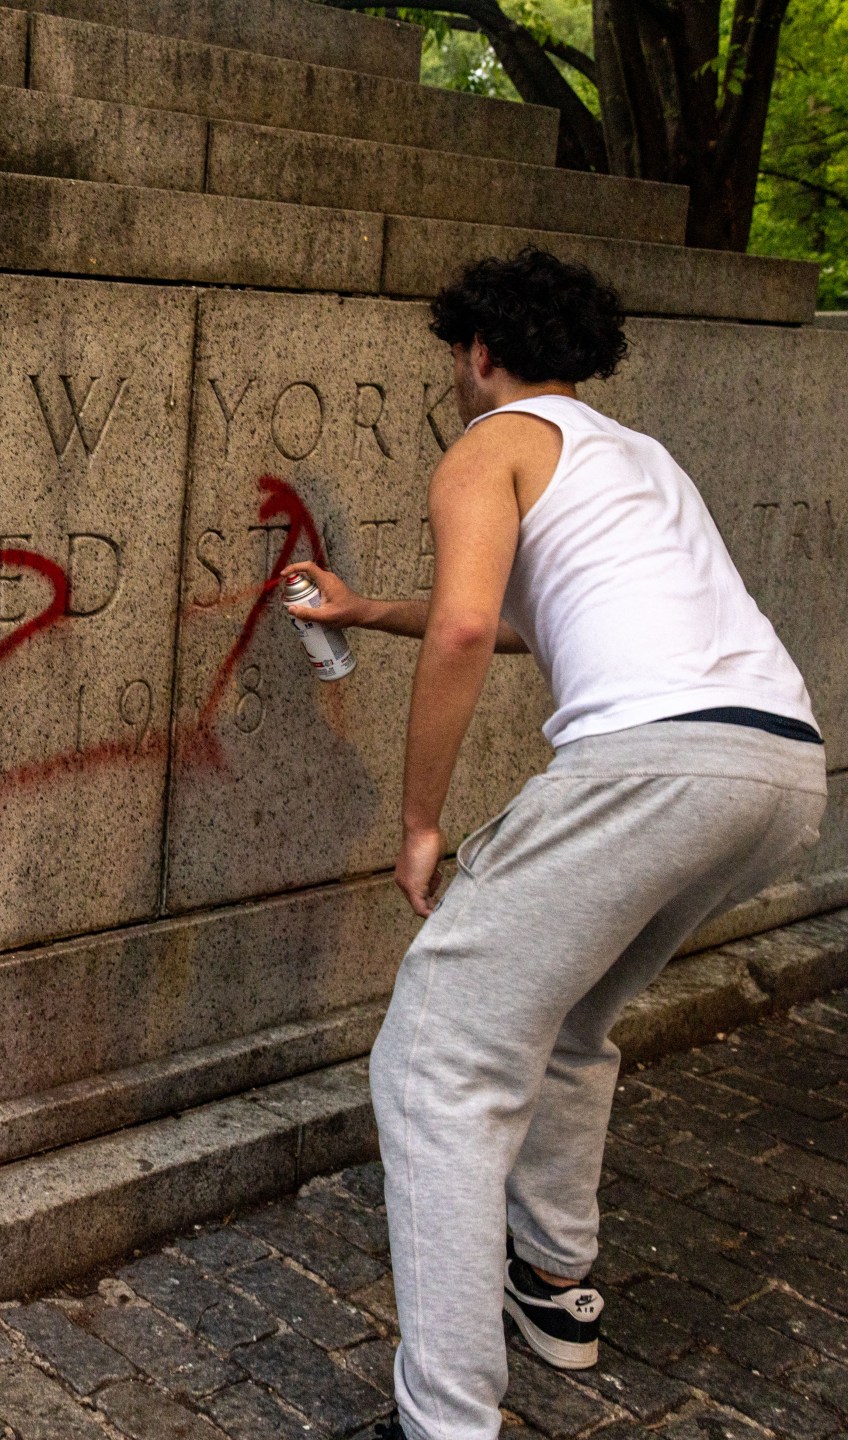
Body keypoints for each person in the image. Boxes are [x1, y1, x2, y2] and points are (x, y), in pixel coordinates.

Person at [282, 247, 827, 1440]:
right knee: (574, 1025)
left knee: (435, 1064)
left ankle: (448, 1421)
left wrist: (421, 820)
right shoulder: (638, 458)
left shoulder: (491, 442)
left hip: (649, 766)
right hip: (780, 770)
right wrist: (367, 609)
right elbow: (531, 619)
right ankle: (553, 1283)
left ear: (479, 353)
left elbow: (473, 628)